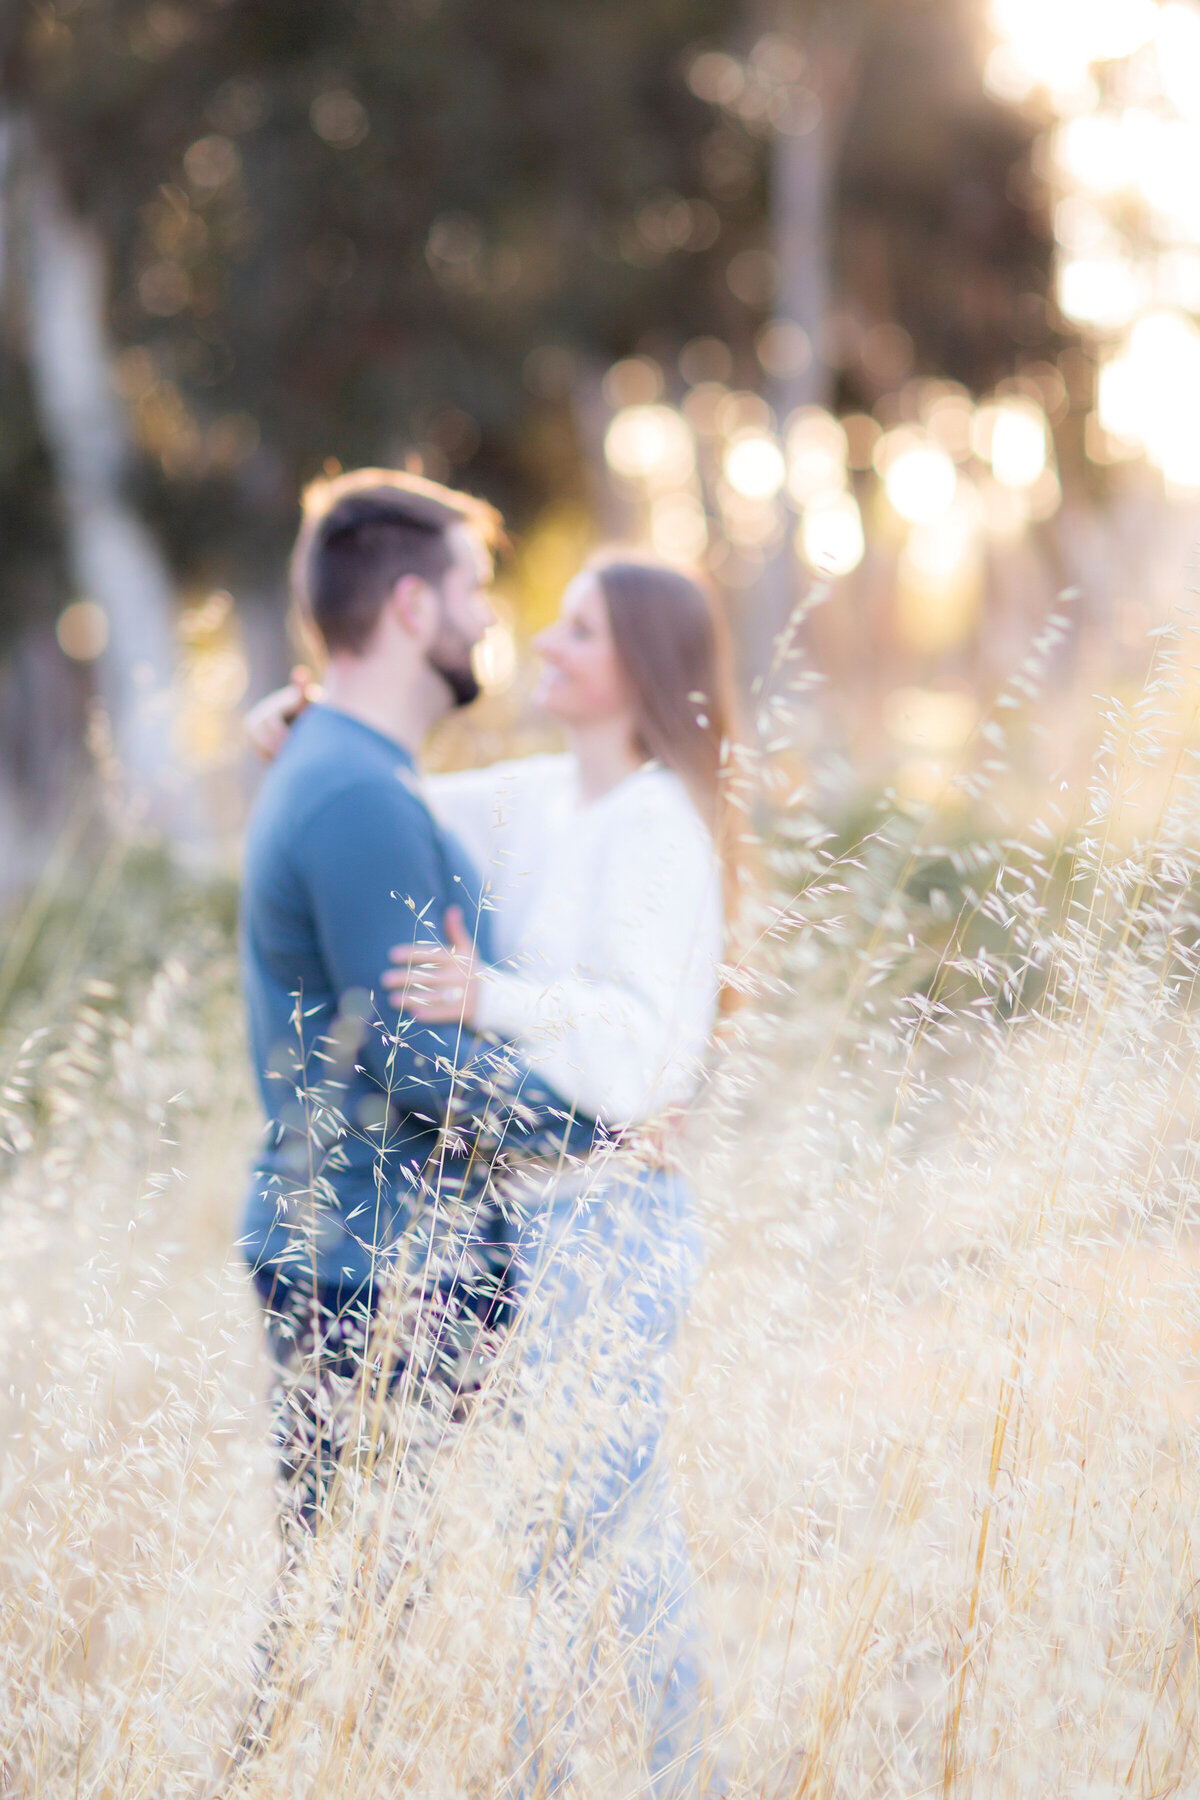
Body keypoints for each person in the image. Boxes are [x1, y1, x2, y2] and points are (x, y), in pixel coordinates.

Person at [249, 550, 739, 1793]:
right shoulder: (548, 796)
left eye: (580, 631)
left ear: (641, 663)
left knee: (616, 1543)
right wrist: (304, 723)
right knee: (556, 1548)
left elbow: (650, 1058)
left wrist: (493, 996)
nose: (548, 645)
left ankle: (686, 1775)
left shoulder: (659, 823)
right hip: (535, 1224)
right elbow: (387, 789)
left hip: (616, 1218)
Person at [239, 466, 601, 1550]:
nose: (487, 615)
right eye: (470, 588)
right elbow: (406, 1054)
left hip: (375, 1252)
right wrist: (604, 1123)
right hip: (373, 1266)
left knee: (364, 1614)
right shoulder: (353, 789)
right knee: (355, 1622)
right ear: (410, 606)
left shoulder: (355, 774)